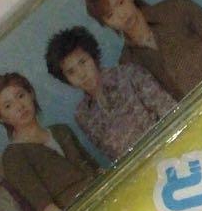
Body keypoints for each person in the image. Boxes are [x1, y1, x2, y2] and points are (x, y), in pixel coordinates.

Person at [85, 0, 202, 101]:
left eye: (120, 3)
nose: (121, 15)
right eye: (110, 15)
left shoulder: (177, 8)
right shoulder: (127, 63)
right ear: (105, 24)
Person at [45, 26, 177, 161]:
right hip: (140, 168)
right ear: (66, 79)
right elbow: (112, 157)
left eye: (83, 62)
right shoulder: (83, 115)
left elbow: (170, 112)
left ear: (93, 57)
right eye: (71, 72)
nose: (81, 74)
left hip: (171, 149)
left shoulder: (129, 74)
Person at [0, 72, 100, 211]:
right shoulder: (13, 156)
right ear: (1, 118)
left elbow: (97, 170)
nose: (19, 106)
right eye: (8, 106)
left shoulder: (62, 130)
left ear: (31, 94)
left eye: (20, 96)